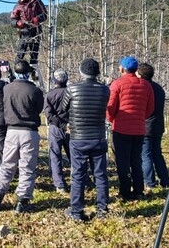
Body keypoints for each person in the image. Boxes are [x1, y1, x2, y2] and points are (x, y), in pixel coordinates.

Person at [58, 59, 110, 221]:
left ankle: (76, 211)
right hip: (98, 137)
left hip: (79, 138)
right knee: (100, 174)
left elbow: (62, 109)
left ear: (81, 72)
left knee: (78, 175)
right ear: (97, 72)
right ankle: (102, 209)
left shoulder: (72, 89)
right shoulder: (104, 90)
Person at [0, 60, 44, 213]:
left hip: (11, 130)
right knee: (27, 166)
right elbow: (40, 108)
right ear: (29, 73)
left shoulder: (6, 89)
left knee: (7, 164)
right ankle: (22, 200)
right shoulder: (35, 91)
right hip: (29, 131)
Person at [106, 56, 154, 201]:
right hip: (139, 129)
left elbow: (111, 106)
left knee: (122, 162)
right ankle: (139, 190)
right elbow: (150, 108)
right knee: (136, 160)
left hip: (121, 129)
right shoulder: (146, 85)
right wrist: (140, 118)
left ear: (122, 68)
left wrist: (112, 119)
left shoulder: (117, 84)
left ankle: (125, 191)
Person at [137, 62, 169, 189]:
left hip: (146, 126)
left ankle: (149, 183)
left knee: (145, 155)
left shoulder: (143, 88)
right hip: (158, 126)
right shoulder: (158, 88)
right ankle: (165, 180)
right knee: (157, 154)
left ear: (140, 74)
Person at [10, 0, 47, 80]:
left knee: (34, 55)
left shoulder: (37, 2)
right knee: (20, 54)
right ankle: (16, 75)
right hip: (23, 33)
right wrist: (19, 23)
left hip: (36, 32)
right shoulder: (17, 6)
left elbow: (44, 15)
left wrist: (37, 19)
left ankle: (33, 75)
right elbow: (12, 21)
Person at [44, 68, 70, 194]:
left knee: (55, 156)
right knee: (75, 157)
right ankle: (84, 180)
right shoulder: (72, 93)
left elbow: (49, 114)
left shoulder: (50, 95)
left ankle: (59, 184)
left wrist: (60, 124)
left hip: (56, 128)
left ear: (54, 81)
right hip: (72, 128)